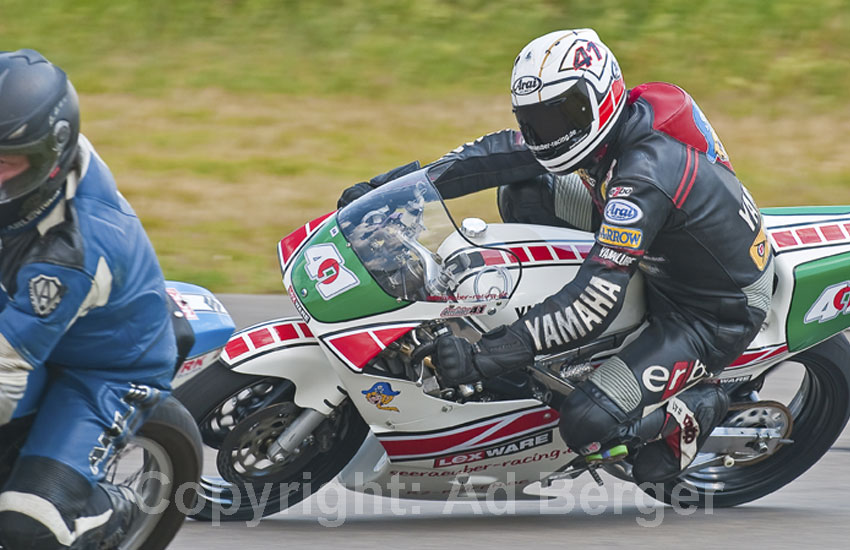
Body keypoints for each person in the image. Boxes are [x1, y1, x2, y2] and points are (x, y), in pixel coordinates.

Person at [337, 29, 773, 483]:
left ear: (601, 96)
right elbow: (493, 156)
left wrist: (487, 355)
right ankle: (550, 340)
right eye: (536, 122)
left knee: (588, 424)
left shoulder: (645, 174)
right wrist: (385, 190)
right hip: (662, 249)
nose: (549, 134)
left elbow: (592, 303)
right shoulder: (605, 132)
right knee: (526, 187)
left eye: (563, 115)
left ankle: (700, 406)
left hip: (711, 310)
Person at [0, 50, 177, 549]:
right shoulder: (35, 158)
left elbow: (4, 375)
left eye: (1, 163)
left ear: (45, 161)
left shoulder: (69, 256)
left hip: (103, 371)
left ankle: (110, 511)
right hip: (24, 313)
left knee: (27, 526)